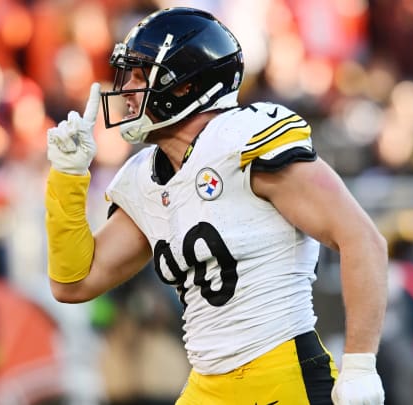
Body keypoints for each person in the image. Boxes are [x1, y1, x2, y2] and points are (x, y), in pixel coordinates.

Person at [44, 7, 388, 405]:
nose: (127, 89)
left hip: (281, 376)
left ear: (184, 86)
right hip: (207, 385)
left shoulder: (243, 140)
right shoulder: (144, 177)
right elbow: (73, 283)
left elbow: (362, 239)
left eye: (140, 76)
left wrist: (361, 364)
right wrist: (67, 177)